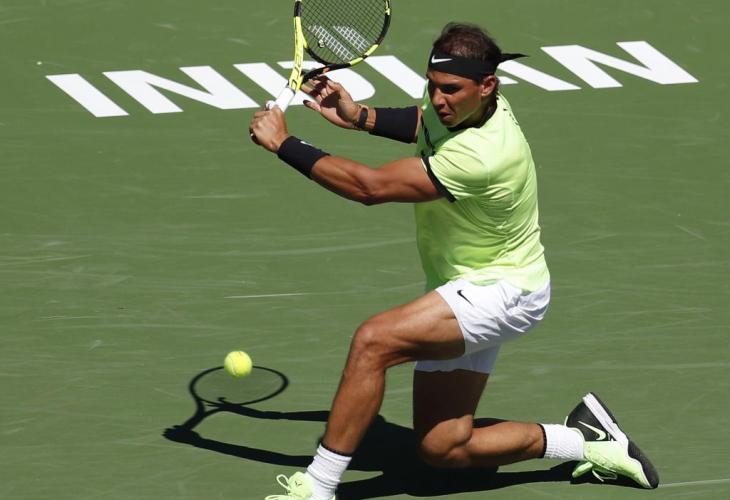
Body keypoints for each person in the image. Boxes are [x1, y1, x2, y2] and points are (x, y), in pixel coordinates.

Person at [250, 22, 658, 500]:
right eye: (433, 86)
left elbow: (369, 188)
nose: (438, 99)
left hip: (502, 291)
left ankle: (317, 486)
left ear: (487, 85)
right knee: (443, 448)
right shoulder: (476, 107)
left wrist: (284, 144)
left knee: (373, 342)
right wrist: (359, 115)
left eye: (450, 90)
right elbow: (426, 122)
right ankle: (586, 440)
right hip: (465, 283)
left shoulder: (484, 155)